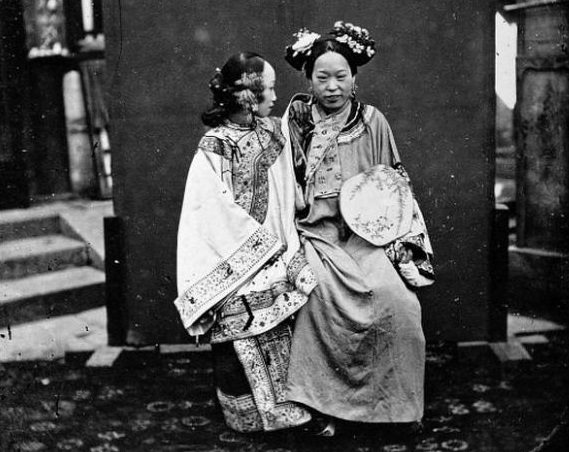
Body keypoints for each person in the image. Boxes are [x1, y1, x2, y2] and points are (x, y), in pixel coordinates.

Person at [282, 22, 435, 435]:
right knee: (317, 298)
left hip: (368, 237)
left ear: (355, 76)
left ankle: (396, 408)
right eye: (322, 77)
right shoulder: (295, 124)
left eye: (341, 76)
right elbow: (283, 187)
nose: (332, 86)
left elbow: (393, 186)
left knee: (397, 301)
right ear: (308, 78)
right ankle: (323, 407)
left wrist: (394, 239)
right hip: (316, 236)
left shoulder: (373, 122)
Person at [174, 52, 316, 433]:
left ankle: (290, 406)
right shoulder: (215, 144)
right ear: (246, 95)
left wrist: (283, 239)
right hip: (233, 256)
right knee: (238, 318)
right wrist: (254, 250)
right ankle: (247, 416)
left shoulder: (273, 130)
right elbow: (207, 208)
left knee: (288, 306)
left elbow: (288, 188)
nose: (274, 95)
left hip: (278, 247)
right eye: (268, 88)